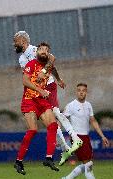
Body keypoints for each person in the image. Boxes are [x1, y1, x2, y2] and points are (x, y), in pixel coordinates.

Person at [13, 31, 83, 165]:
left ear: (22, 41)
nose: (13, 44)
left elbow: (52, 60)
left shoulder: (35, 50)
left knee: (55, 113)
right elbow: (28, 77)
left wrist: (54, 77)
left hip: (49, 85)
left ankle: (73, 138)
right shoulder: (22, 59)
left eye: (15, 41)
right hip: (38, 93)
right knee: (52, 119)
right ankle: (65, 147)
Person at [14, 42, 60, 175]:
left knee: (53, 125)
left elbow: (53, 62)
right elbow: (25, 81)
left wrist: (59, 79)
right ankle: (19, 161)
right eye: (41, 50)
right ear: (36, 52)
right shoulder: (31, 64)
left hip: (41, 100)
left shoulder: (48, 67)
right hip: (29, 100)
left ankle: (49, 158)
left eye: (46, 50)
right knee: (33, 130)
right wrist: (40, 90)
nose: (43, 51)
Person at [61, 83, 109, 179]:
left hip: (86, 137)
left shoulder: (88, 105)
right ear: (76, 92)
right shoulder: (71, 105)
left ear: (86, 92)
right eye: (79, 90)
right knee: (88, 164)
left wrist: (102, 136)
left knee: (88, 164)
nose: (81, 92)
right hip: (76, 138)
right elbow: (61, 119)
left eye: (83, 90)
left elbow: (93, 121)